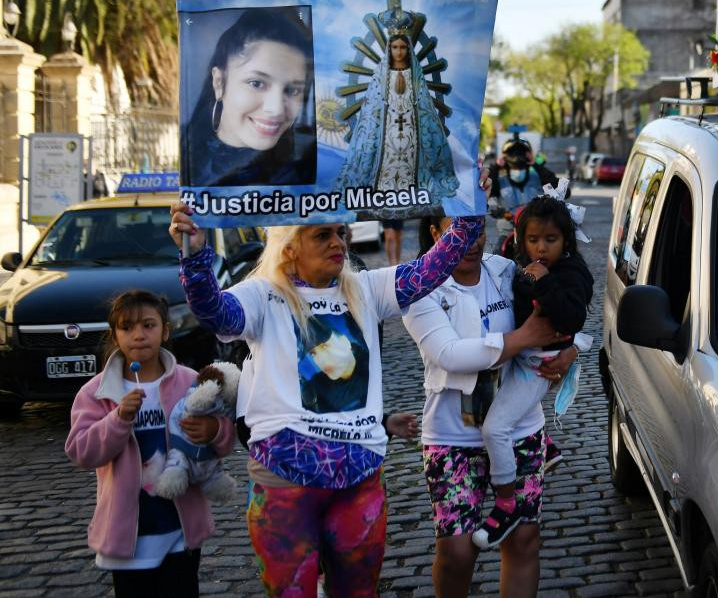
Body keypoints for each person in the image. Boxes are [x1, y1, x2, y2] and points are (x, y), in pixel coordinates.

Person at [169, 203, 483, 597]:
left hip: (360, 478)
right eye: (323, 234)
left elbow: (435, 267)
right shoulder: (263, 295)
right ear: (289, 248)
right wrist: (195, 256)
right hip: (285, 480)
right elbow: (215, 314)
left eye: (341, 233)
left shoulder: (367, 289)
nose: (338, 242)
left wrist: (470, 211)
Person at [404, 211, 584, 597]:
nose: (471, 240)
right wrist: (523, 337)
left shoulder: (505, 271)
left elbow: (570, 302)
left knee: (523, 541)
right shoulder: (420, 287)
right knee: (456, 552)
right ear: (435, 232)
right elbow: (449, 354)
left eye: (477, 230)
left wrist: (572, 349)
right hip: (453, 436)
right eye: (457, 230)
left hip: (520, 429)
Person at [65, 290, 235, 597]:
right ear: (115, 335)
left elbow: (223, 441)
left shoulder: (189, 382)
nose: (138, 335)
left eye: (148, 325)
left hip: (178, 529)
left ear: (165, 330)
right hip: (130, 534)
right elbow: (81, 451)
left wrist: (213, 430)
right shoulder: (97, 392)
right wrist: (118, 419)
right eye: (127, 327)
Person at [472, 192, 593, 549]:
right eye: (533, 240)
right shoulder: (515, 261)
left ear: (566, 241)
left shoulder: (571, 271)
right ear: (521, 240)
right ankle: (547, 448)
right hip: (518, 354)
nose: (541, 248)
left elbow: (573, 317)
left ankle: (507, 505)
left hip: (539, 365)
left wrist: (543, 281)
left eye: (551, 240)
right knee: (483, 405)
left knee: (495, 429)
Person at [336, 0, 458, 211]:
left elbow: (424, 107)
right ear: (389, 49)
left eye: (402, 47)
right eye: (395, 47)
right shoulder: (380, 76)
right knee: (384, 174)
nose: (399, 51)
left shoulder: (416, 75)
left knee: (414, 169)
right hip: (386, 134)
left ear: (408, 49)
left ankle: (415, 194)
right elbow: (371, 108)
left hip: (412, 136)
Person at [182, 7, 316, 187]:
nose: (275, 109)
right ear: (219, 82)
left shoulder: (309, 175)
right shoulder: (187, 159)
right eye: (257, 83)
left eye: (292, 90)